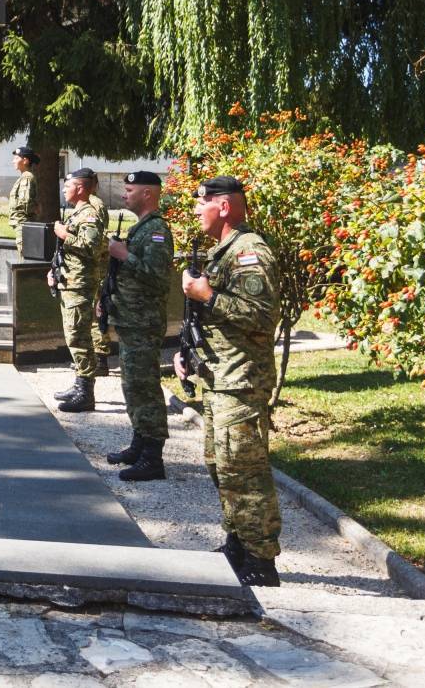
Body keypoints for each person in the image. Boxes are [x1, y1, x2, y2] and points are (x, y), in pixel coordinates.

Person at [176, 175, 283, 587]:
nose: (196, 210)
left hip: (242, 379)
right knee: (222, 465)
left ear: (223, 206)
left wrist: (208, 296)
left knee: (246, 470)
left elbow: (261, 316)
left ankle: (261, 560)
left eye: (202, 203)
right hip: (219, 376)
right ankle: (237, 543)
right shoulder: (223, 251)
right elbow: (212, 322)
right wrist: (189, 354)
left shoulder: (249, 252)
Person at [103, 170, 176, 482]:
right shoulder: (140, 228)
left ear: (148, 194)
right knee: (132, 385)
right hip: (131, 320)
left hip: (144, 323)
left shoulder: (157, 231)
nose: (124, 195)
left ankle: (152, 457)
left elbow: (159, 279)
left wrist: (124, 254)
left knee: (145, 387)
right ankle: (139, 441)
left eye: (130, 190)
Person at [49, 168, 106, 412]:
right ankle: (80, 383)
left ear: (80, 188)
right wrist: (55, 270)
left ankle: (86, 393)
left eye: (67, 185)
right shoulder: (78, 212)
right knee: (74, 334)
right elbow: (67, 252)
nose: (64, 189)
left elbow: (90, 246)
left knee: (78, 336)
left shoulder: (89, 214)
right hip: (69, 279)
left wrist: (64, 234)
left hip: (80, 284)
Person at [8, 146, 37, 229]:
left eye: (16, 158)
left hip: (23, 224)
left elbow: (24, 204)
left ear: (25, 161)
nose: (13, 161)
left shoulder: (27, 177)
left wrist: (20, 223)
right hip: (22, 224)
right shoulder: (24, 176)